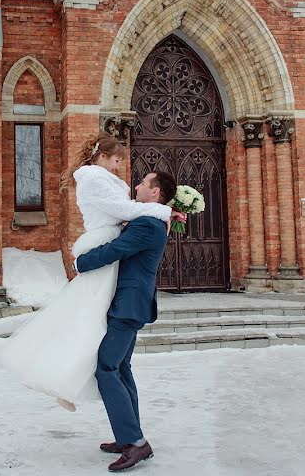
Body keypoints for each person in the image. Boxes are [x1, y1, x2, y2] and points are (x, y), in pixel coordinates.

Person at [0, 133, 178, 412]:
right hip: (103, 240)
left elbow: (124, 210)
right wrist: (163, 211)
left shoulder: (103, 179)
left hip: (110, 239)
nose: (120, 167)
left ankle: (68, 382)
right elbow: (121, 209)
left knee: (91, 317)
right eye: (116, 160)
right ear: (102, 156)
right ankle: (64, 380)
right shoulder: (93, 177)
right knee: (89, 316)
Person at [75, 170, 176, 472]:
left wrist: (81, 262)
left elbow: (116, 250)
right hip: (130, 304)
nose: (137, 186)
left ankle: (135, 443)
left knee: (106, 368)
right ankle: (129, 437)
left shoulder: (147, 224)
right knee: (120, 367)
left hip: (128, 306)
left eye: (144, 183)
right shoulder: (148, 222)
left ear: (155, 193)